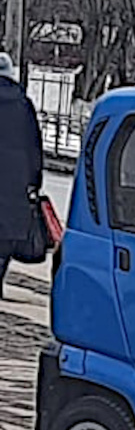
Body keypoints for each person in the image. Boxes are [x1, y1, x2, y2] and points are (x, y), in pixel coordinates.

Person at [0, 52, 43, 300]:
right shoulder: (22, 104)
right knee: (4, 241)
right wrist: (34, 181)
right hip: (14, 184)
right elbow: (34, 146)